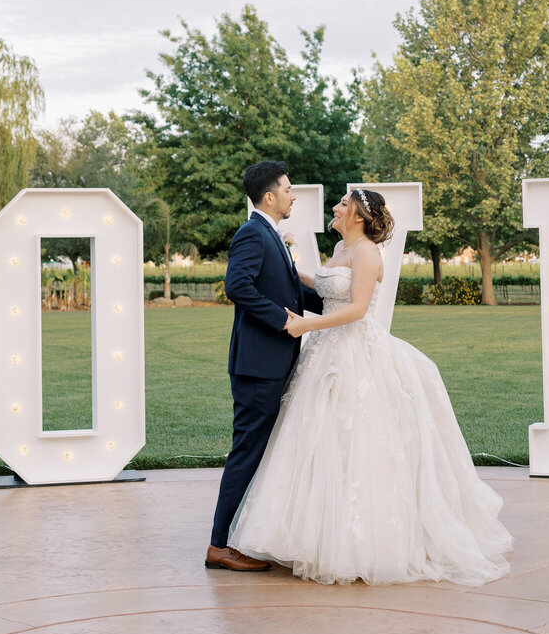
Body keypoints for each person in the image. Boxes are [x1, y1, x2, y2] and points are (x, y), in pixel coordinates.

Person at [230, 189, 512, 585]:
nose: (336, 207)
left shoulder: (366, 253)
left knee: (357, 441)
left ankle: (358, 544)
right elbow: (327, 289)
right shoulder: (342, 248)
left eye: (343, 204)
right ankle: (309, 537)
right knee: (316, 442)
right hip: (324, 355)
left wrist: (304, 324)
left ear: (360, 215)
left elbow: (358, 309)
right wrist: (286, 270)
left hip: (354, 354)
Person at [205, 161, 324, 572]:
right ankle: (219, 546)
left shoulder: (270, 234)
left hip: (273, 361)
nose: (293, 195)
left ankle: (242, 535)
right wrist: (284, 320)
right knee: (247, 452)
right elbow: (237, 287)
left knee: (263, 451)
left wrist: (334, 307)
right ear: (269, 196)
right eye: (288, 189)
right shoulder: (252, 233)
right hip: (258, 366)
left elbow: (285, 289)